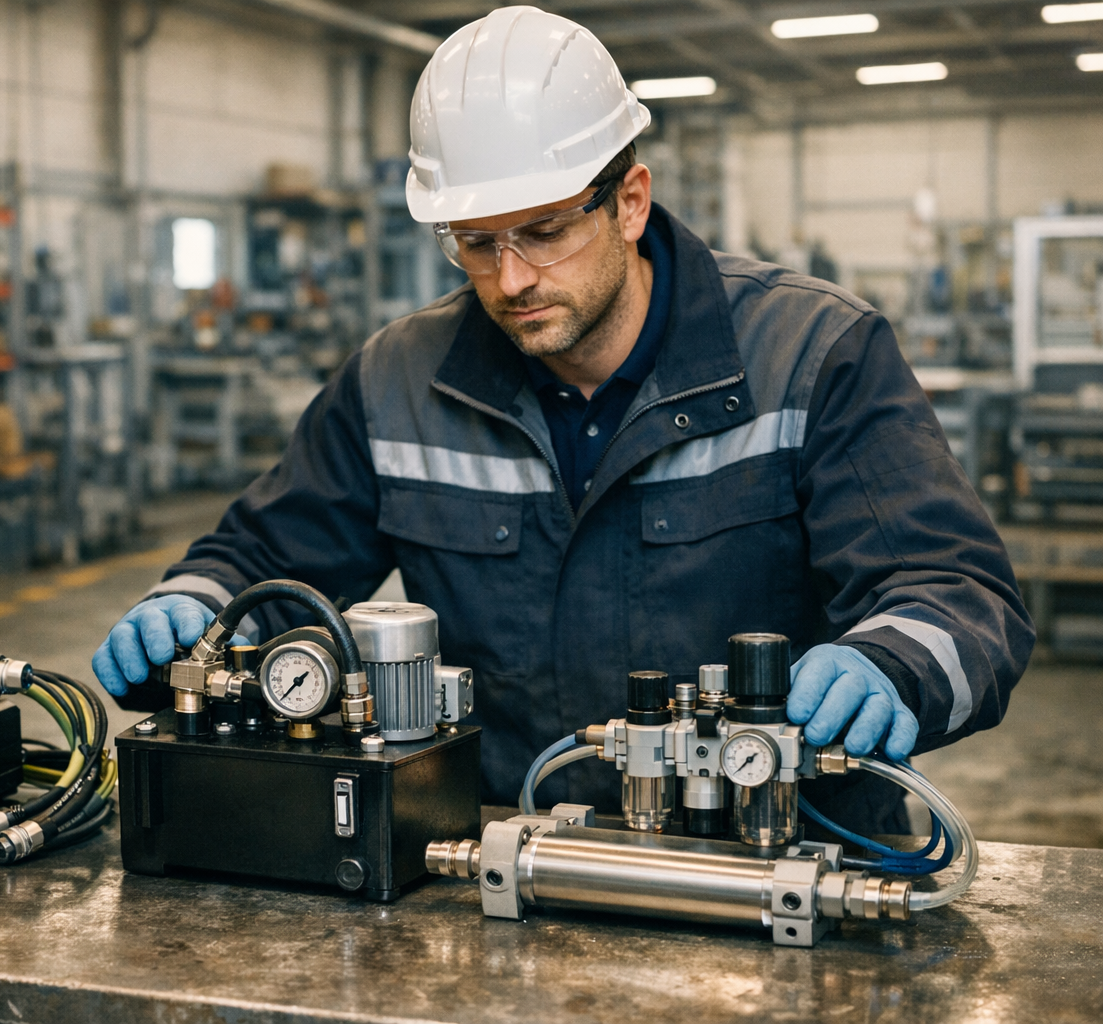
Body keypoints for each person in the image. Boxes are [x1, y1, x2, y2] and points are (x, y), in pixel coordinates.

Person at [92, 6, 1032, 832]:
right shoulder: (396, 382)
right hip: (510, 860)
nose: (511, 279)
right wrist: (199, 606)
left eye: (544, 231)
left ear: (630, 203)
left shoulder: (813, 354)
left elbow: (955, 591)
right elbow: (265, 560)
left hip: (782, 857)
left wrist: (896, 663)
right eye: (475, 243)